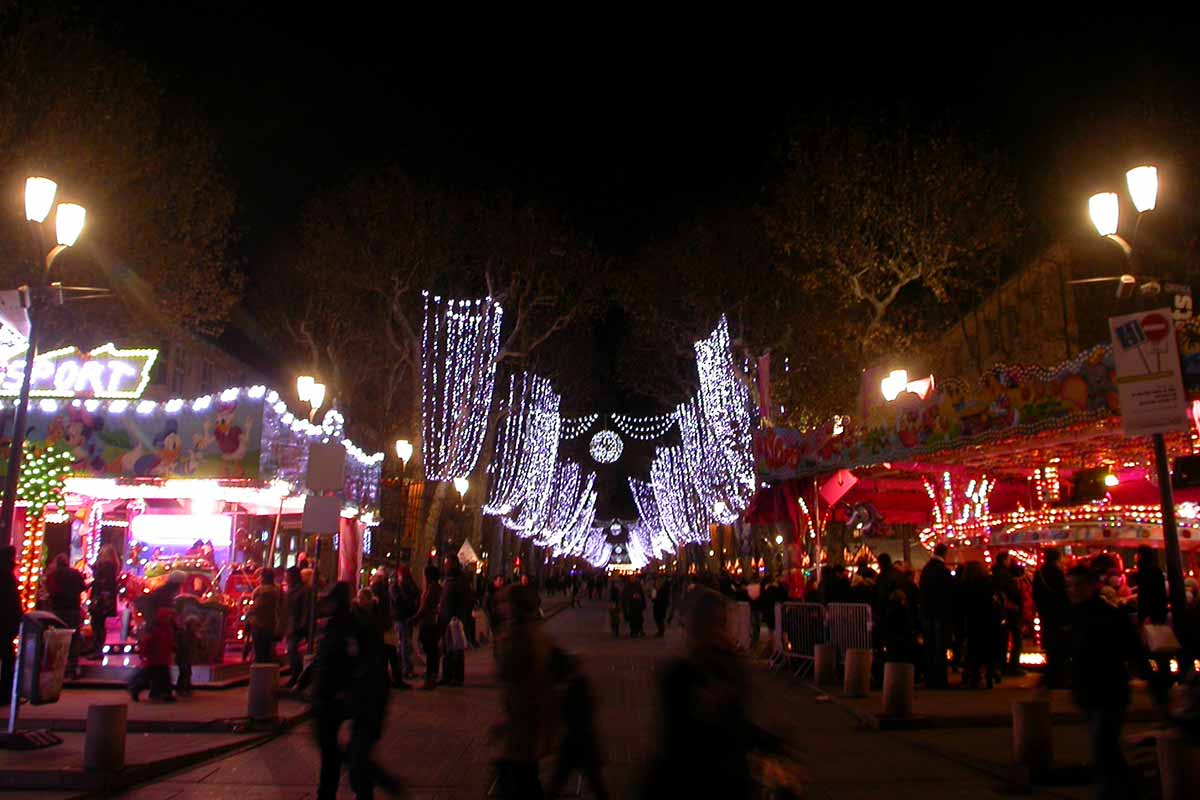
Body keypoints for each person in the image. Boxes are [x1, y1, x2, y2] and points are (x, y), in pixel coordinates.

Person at [641, 589, 769, 799]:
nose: (719, 630)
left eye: (722, 623)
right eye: (713, 623)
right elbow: (681, 736)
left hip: (728, 776)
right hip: (694, 778)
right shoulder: (681, 674)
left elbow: (737, 721)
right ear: (696, 628)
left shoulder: (731, 666)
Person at [312, 581, 399, 800]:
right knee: (333, 753)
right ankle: (338, 790)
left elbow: (365, 662)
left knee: (351, 756)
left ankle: (365, 785)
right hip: (340, 698)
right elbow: (323, 662)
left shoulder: (354, 627)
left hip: (360, 697)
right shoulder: (339, 626)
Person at [1066, 564, 1143, 800]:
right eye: (1070, 586)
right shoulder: (1079, 615)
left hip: (1108, 690)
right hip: (1093, 691)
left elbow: (1133, 649)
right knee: (1106, 746)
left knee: (1104, 745)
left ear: (1092, 586)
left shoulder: (1106, 615)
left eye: (1078, 585)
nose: (1073, 590)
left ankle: (1118, 790)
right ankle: (1125, 788)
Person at [494, 583, 554, 799]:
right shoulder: (527, 632)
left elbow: (523, 676)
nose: (501, 607)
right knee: (525, 777)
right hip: (521, 716)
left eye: (505, 603)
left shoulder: (522, 636)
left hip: (524, 716)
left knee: (521, 777)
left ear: (514, 606)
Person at [545, 647, 610, 800]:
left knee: (559, 781)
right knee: (593, 781)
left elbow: (568, 714)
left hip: (577, 743)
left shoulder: (574, 686)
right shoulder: (577, 682)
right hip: (582, 742)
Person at [1033, 549, 1070, 689]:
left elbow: (1035, 594)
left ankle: (1051, 674)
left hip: (1046, 612)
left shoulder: (1040, 573)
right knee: (1060, 645)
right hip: (1059, 613)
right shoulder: (1058, 574)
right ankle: (1058, 675)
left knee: (1050, 643)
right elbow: (1063, 595)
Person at [44, 553, 86, 678]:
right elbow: (82, 587)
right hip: (73, 608)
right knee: (74, 638)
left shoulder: (53, 575)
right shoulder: (75, 573)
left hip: (57, 609)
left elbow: (49, 589)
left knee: (58, 638)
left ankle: (58, 666)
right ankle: (72, 666)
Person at [919, 544, 953, 688]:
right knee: (940, 647)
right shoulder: (943, 571)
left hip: (927, 613)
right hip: (940, 613)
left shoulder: (926, 570)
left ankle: (929, 677)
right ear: (944, 554)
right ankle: (939, 679)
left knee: (929, 646)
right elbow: (949, 593)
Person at [129, 606, 176, 702]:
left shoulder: (165, 630)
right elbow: (148, 643)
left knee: (161, 677)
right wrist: (144, 653)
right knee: (154, 677)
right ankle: (139, 689)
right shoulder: (157, 630)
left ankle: (162, 694)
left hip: (161, 658)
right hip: (155, 659)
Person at [438, 556, 472, 686]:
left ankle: (457, 677)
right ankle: (447, 676)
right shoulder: (449, 580)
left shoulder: (459, 580)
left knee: (456, 649)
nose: (445, 566)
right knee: (447, 649)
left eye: (447, 564)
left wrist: (460, 617)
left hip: (455, 619)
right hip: (446, 618)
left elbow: (465, 600)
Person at [369, 570, 406, 688]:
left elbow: (377, 610)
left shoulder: (376, 591)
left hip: (382, 627)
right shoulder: (384, 590)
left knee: (386, 654)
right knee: (390, 653)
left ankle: (388, 679)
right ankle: (395, 679)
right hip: (387, 625)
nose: (371, 578)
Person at [410, 564, 442, 690]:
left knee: (431, 651)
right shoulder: (434, 588)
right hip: (429, 622)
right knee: (432, 651)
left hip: (429, 623)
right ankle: (431, 676)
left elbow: (426, 606)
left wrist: (415, 618)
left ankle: (430, 678)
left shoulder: (432, 588)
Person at [87, 544, 120, 657]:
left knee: (97, 623)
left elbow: (102, 581)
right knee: (99, 623)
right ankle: (96, 648)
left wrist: (92, 583)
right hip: (105, 599)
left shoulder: (107, 566)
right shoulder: (113, 566)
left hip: (101, 599)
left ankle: (97, 649)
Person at [284, 566, 313, 689]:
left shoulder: (304, 590)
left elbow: (305, 609)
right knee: (291, 650)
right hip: (291, 623)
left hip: (296, 625)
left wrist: (302, 624)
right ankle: (297, 674)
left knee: (292, 649)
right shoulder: (291, 589)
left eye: (287, 576)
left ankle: (297, 674)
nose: (286, 578)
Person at [391, 566, 421, 679]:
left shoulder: (410, 586)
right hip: (400, 619)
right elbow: (399, 600)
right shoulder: (395, 587)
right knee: (403, 644)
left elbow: (417, 594)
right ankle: (405, 668)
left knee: (406, 644)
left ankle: (406, 667)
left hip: (408, 618)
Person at [248, 568, 281, 664]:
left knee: (260, 653)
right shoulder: (277, 590)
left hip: (259, 625)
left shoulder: (260, 591)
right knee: (269, 651)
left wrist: (248, 610)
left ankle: (260, 674)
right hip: (272, 624)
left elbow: (257, 608)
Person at [0, 546, 20, 695]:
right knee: (8, 656)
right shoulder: (8, 576)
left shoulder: (6, 575)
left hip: (5, 621)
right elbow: (13, 601)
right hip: (8, 622)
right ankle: (7, 689)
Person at [175, 616, 200, 695]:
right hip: (183, 656)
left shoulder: (191, 634)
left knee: (187, 672)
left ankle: (184, 688)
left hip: (187, 657)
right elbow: (185, 645)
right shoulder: (184, 633)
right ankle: (182, 689)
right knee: (184, 673)